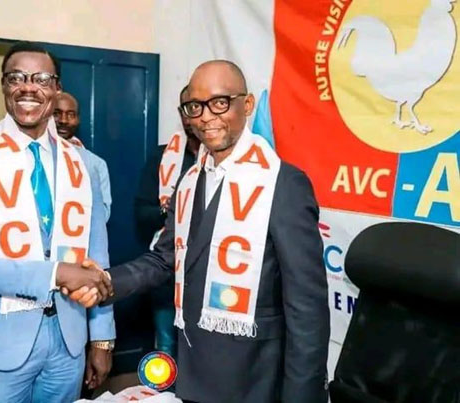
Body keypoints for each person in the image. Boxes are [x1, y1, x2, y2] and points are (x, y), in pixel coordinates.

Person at [71, 60, 330, 402]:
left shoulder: (283, 184)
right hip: (193, 366)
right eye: (195, 106)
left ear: (247, 105)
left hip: (256, 376)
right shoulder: (190, 181)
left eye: (219, 102)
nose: (206, 117)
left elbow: (307, 307)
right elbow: (164, 259)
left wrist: (302, 395)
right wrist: (105, 282)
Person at [0, 42, 115, 403]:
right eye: (16, 78)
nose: (28, 88)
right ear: (4, 86)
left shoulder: (84, 165)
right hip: (2, 344)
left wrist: (101, 338)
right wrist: (56, 273)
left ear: (56, 88)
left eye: (41, 79)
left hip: (69, 341)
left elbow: (98, 261)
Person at [134, 85, 199, 357]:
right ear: (181, 113)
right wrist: (173, 210)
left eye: (200, 105)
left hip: (208, 271)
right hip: (167, 270)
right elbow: (142, 214)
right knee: (166, 346)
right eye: (189, 107)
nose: (194, 114)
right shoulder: (163, 158)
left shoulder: (225, 160)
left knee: (203, 349)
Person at [53, 91, 112, 220]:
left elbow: (102, 215)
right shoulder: (32, 157)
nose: (63, 120)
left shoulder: (95, 165)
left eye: (70, 115)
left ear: (78, 119)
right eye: (56, 114)